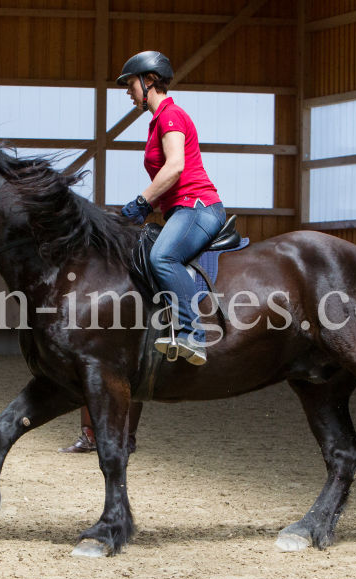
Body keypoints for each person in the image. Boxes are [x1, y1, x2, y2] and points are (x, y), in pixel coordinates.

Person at [117, 51, 225, 366]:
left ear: (148, 81)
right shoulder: (157, 120)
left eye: (130, 84)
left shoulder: (170, 115)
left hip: (198, 208)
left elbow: (175, 166)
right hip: (181, 210)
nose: (128, 91)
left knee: (162, 256)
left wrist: (141, 202)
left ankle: (193, 336)